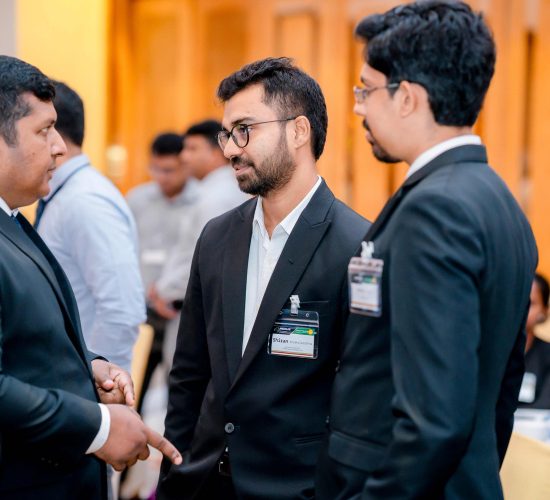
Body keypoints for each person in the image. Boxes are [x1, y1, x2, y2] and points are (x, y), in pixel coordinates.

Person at [316, 2, 538, 499]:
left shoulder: (435, 209)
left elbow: (434, 421)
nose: (358, 108)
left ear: (408, 98)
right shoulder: (501, 203)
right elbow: (501, 389)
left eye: (366, 90)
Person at [157, 57, 370, 500]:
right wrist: (175, 473)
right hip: (206, 481)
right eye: (226, 134)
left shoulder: (357, 245)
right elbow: (190, 373)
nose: (230, 150)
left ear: (298, 131)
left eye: (245, 130)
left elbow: (365, 398)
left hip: (300, 486)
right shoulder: (217, 237)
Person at [0, 55, 181, 499]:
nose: (59, 147)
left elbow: (29, 338)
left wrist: (92, 367)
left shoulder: (15, 218)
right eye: (44, 130)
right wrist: (100, 426)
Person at [35, 81, 145, 371]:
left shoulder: (85, 200)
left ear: (52, 132)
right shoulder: (65, 195)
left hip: (83, 379)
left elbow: (122, 311)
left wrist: (97, 382)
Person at [150, 120, 249, 367]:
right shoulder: (221, 191)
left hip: (196, 306)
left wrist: (165, 291)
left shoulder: (214, 199)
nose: (184, 156)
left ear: (216, 152)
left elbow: (200, 256)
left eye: (193, 149)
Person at [126, 132, 199, 410]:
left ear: (185, 165)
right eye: (156, 169)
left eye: (169, 170)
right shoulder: (137, 200)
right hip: (142, 311)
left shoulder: (201, 201)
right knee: (133, 387)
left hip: (179, 313)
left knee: (179, 391)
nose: (162, 177)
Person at [518, 273, 550, 409]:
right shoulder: (490, 351)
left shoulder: (547, 354)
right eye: (517, 301)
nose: (522, 309)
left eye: (530, 303)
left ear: (544, 311)